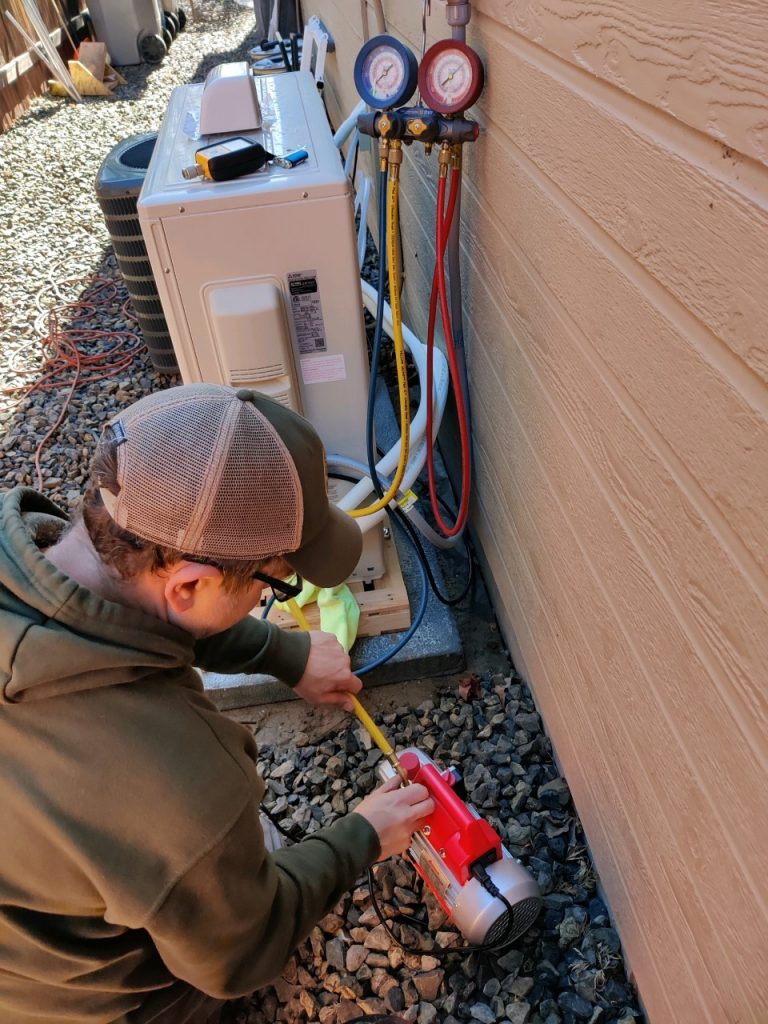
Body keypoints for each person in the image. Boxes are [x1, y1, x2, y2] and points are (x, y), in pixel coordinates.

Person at [0, 383, 433, 1023]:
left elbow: (133, 612)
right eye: (273, 580)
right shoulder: (173, 782)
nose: (273, 593)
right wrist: (363, 837)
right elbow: (240, 956)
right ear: (191, 585)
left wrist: (282, 653)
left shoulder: (44, 553)